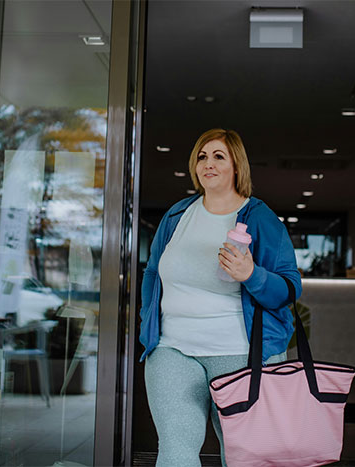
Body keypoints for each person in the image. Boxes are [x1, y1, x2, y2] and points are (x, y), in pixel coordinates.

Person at [139, 128, 302, 467]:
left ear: (236, 166)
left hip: (240, 353)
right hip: (172, 350)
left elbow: (289, 288)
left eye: (218, 156)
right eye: (202, 156)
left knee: (244, 455)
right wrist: (147, 323)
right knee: (175, 450)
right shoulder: (176, 216)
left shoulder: (259, 217)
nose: (207, 164)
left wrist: (251, 275)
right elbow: (153, 272)